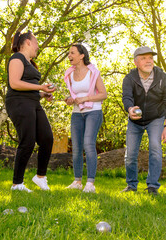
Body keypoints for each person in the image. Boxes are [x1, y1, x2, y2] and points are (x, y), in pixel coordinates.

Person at [6, 30, 56, 192]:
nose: (38, 46)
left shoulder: (30, 62)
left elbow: (28, 87)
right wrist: (40, 87)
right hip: (19, 103)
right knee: (27, 141)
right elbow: (14, 83)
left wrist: (42, 93)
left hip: (32, 102)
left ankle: (40, 177)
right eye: (36, 42)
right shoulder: (17, 58)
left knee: (47, 138)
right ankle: (17, 184)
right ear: (28, 42)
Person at [121, 46, 166, 195]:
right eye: (144, 58)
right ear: (136, 62)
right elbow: (127, 97)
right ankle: (131, 185)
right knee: (130, 154)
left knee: (155, 149)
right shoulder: (130, 78)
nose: (148, 61)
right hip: (135, 121)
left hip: (155, 119)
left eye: (150, 58)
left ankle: (152, 186)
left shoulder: (162, 78)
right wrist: (130, 109)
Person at [64, 43, 107, 193]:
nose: (69, 56)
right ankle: (77, 181)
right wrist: (70, 99)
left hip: (93, 112)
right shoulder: (69, 74)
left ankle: (90, 184)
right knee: (76, 148)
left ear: (82, 56)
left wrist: (85, 99)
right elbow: (74, 95)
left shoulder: (92, 72)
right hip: (77, 113)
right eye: (69, 53)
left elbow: (103, 94)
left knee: (88, 144)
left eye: (72, 53)